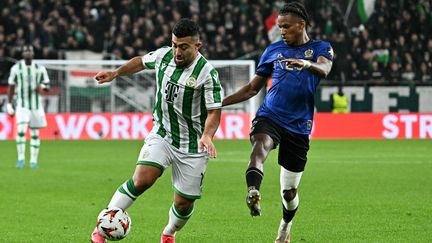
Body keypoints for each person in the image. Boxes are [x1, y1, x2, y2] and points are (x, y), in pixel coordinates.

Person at [90, 18, 223, 243]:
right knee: (142, 179)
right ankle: (103, 228)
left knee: (184, 202)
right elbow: (141, 62)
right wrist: (116, 73)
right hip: (163, 133)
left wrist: (207, 135)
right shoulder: (164, 56)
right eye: (174, 44)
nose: (177, 51)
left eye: (184, 47)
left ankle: (169, 233)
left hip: (192, 144)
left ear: (197, 46)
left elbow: (214, 112)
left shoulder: (206, 74)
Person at [222, 2, 333, 243]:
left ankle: (285, 226)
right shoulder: (273, 51)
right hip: (270, 114)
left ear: (301, 24)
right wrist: (219, 103)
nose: (281, 30)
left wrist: (306, 64)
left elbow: (324, 69)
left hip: (299, 126)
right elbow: (252, 89)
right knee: (259, 146)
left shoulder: (320, 48)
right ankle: (253, 190)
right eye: (279, 26)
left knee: (289, 192)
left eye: (285, 26)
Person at [7, 45, 50, 169]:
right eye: (25, 51)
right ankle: (20, 159)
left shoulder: (40, 68)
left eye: (29, 51)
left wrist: (40, 87)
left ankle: (33, 161)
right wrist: (9, 103)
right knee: (21, 131)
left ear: (33, 53)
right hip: (22, 105)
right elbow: (11, 86)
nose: (27, 53)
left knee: (35, 133)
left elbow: (47, 86)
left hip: (36, 106)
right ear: (22, 53)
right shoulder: (16, 68)